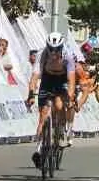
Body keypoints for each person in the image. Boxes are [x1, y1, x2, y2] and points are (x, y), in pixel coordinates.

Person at [27, 31, 80, 169]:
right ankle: (38, 149)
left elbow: (71, 81)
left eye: (57, 49)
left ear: (62, 48)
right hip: (47, 79)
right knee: (43, 116)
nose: (54, 52)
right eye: (51, 49)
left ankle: (61, 131)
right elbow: (34, 77)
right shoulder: (42, 54)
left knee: (59, 104)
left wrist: (70, 96)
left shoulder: (68, 56)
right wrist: (31, 94)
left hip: (62, 80)